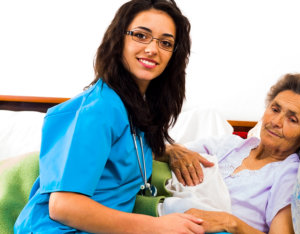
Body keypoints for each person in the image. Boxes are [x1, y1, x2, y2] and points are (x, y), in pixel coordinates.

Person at [14, 0, 205, 233]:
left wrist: (167, 150)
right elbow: (63, 206)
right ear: (119, 40)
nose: (153, 49)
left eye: (165, 43)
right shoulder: (96, 110)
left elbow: (119, 151)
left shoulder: (132, 107)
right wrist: (157, 226)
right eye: (141, 36)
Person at [162, 73, 300, 233]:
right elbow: (159, 154)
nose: (275, 122)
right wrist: (173, 150)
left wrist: (230, 222)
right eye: (275, 109)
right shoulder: (230, 144)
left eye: (292, 119)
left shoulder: (288, 173)